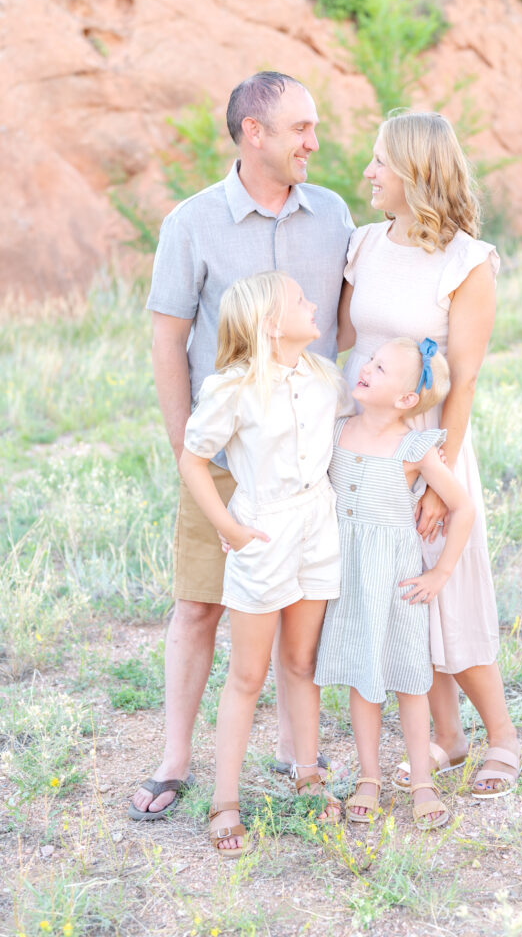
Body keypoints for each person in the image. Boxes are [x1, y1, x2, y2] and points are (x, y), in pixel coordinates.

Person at [129, 71, 354, 821]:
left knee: (300, 611)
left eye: (314, 127)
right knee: (197, 606)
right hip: (221, 459)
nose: (313, 143)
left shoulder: (332, 214)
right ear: (252, 133)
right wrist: (183, 444)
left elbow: (343, 326)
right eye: (300, 129)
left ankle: (300, 760)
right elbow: (167, 336)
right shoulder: (191, 222)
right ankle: (174, 759)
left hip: (307, 465)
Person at [337, 111, 522, 799]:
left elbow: (464, 379)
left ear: (415, 171)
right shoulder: (361, 245)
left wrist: (431, 478)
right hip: (365, 448)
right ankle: (446, 738)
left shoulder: (465, 262)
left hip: (431, 450)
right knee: (399, 591)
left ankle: (501, 736)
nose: (368, 173)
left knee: (450, 586)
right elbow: (341, 340)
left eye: (380, 161)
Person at [180, 270, 354, 856]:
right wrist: (229, 526)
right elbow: (193, 459)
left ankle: (307, 772)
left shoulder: (325, 377)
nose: (315, 304)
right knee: (249, 673)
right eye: (302, 300)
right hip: (263, 531)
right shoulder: (233, 386)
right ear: (271, 324)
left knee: (302, 662)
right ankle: (224, 799)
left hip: (317, 527)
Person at [315, 338, 475, 829]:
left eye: (381, 368)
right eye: (371, 360)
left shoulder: (415, 448)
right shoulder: (338, 431)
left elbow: (463, 507)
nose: (365, 367)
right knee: (364, 678)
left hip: (399, 581)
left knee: (408, 677)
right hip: (348, 577)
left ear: (407, 399)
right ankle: (369, 776)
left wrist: (440, 572)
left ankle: (423, 780)